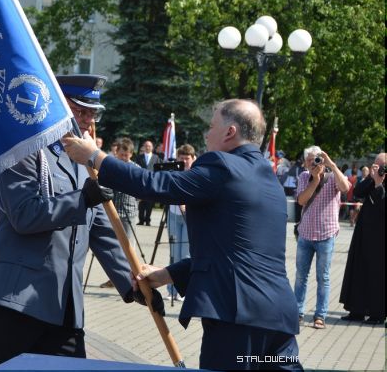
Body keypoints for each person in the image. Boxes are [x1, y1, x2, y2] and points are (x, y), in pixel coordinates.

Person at [63, 98, 302, 371]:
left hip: (237, 321)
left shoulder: (223, 166)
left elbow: (156, 185)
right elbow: (238, 253)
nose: (207, 135)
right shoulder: (270, 180)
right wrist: (168, 274)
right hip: (278, 321)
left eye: (211, 126)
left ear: (230, 132)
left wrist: (95, 157)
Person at [0, 75, 159, 370]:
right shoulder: (24, 150)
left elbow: (102, 232)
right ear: (57, 106)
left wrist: (134, 284)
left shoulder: (83, 161)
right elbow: (23, 215)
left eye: (93, 113)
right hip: (15, 302)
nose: (88, 119)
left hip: (63, 308)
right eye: (81, 110)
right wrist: (81, 200)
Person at [293, 146, 350, 330]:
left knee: (323, 277)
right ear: (305, 163)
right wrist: (315, 180)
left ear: (322, 160)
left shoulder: (332, 177)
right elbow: (301, 200)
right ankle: (297, 313)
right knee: (301, 277)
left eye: (316, 160)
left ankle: (320, 316)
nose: (312, 164)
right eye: (309, 161)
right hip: (305, 234)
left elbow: (345, 187)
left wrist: (332, 165)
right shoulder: (304, 177)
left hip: (326, 234)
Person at [339, 153, 385, 325]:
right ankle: (356, 310)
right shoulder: (372, 179)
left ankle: (377, 314)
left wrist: (380, 184)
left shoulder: (381, 183)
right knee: (358, 271)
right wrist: (372, 179)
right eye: (375, 165)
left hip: (380, 239)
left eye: (381, 166)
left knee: (376, 276)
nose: (378, 169)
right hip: (363, 235)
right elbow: (358, 192)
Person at [99, 137, 139, 289]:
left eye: (126, 155)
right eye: (121, 154)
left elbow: (142, 191)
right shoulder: (113, 166)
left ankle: (132, 279)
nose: (123, 158)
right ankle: (114, 278)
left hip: (129, 212)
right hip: (113, 211)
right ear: (117, 152)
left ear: (131, 154)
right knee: (113, 246)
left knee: (129, 247)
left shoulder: (136, 168)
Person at [166, 144, 196, 301]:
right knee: (174, 254)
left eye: (187, 158)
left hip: (189, 216)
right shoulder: (174, 172)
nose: (184, 161)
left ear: (193, 159)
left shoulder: (196, 173)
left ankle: (184, 289)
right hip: (173, 214)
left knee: (185, 254)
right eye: (181, 158)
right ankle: (171, 290)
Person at [135, 140, 160, 226]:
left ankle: (148, 220)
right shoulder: (139, 157)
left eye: (149, 146)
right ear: (143, 147)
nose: (147, 147)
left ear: (152, 147)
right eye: (146, 146)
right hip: (141, 182)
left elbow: (158, 170)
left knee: (150, 202)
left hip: (151, 183)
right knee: (141, 203)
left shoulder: (156, 158)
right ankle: (141, 220)